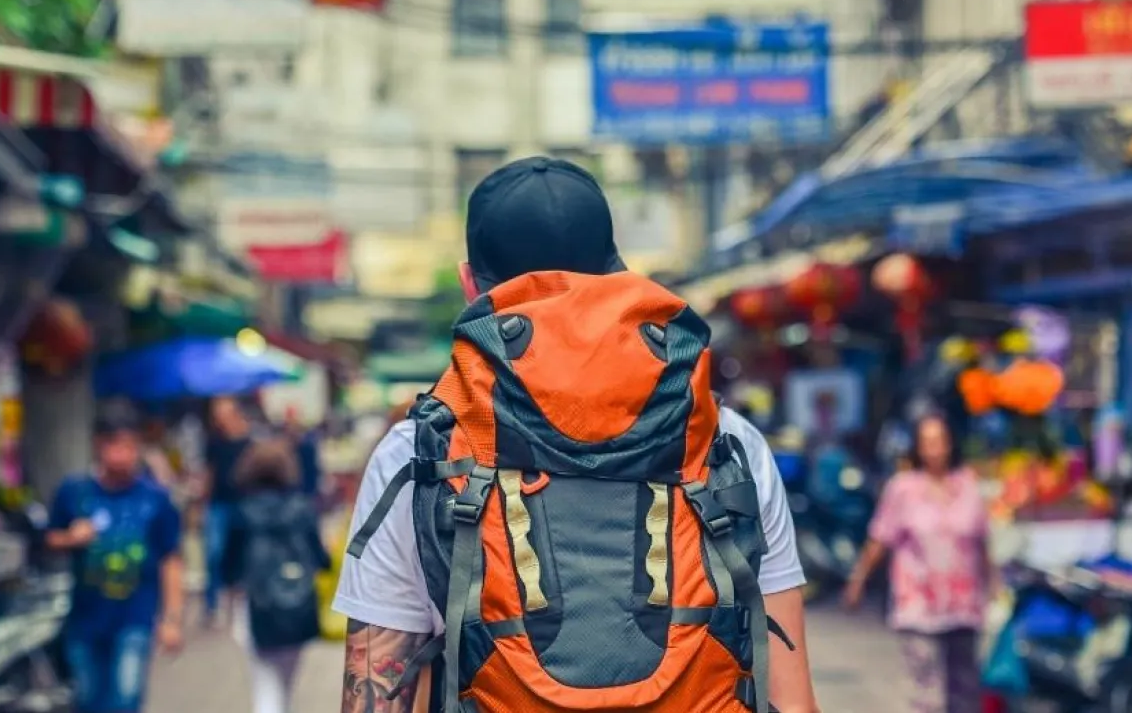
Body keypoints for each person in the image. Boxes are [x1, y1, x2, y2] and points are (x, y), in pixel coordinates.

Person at [334, 157, 819, 713]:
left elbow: (376, 696)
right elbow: (792, 696)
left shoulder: (422, 452)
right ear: (616, 274)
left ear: (472, 285)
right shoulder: (725, 440)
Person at [844, 414, 992, 713]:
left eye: (939, 441)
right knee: (928, 696)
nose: (934, 450)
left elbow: (982, 544)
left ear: (950, 444)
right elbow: (879, 539)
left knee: (965, 693)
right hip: (919, 606)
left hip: (964, 606)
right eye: (927, 442)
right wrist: (857, 581)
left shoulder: (968, 485)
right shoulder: (902, 488)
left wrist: (994, 590)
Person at [46, 413, 186, 713]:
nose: (125, 456)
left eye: (131, 447)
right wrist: (71, 538)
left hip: (135, 616)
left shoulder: (156, 499)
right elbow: (48, 539)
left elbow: (170, 559)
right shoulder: (75, 492)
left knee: (125, 696)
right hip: (85, 617)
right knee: (88, 698)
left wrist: (172, 618)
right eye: (117, 446)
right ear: (99, 446)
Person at [219, 440, 330, 713]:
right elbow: (320, 559)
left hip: (256, 605)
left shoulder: (241, 512)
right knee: (286, 682)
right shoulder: (303, 508)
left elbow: (228, 566)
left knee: (265, 684)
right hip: (298, 605)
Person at [200, 396, 254, 626]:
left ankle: (237, 599)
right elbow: (208, 474)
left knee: (241, 552)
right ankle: (212, 604)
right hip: (218, 504)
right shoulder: (213, 442)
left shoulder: (248, 440)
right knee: (213, 553)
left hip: (243, 503)